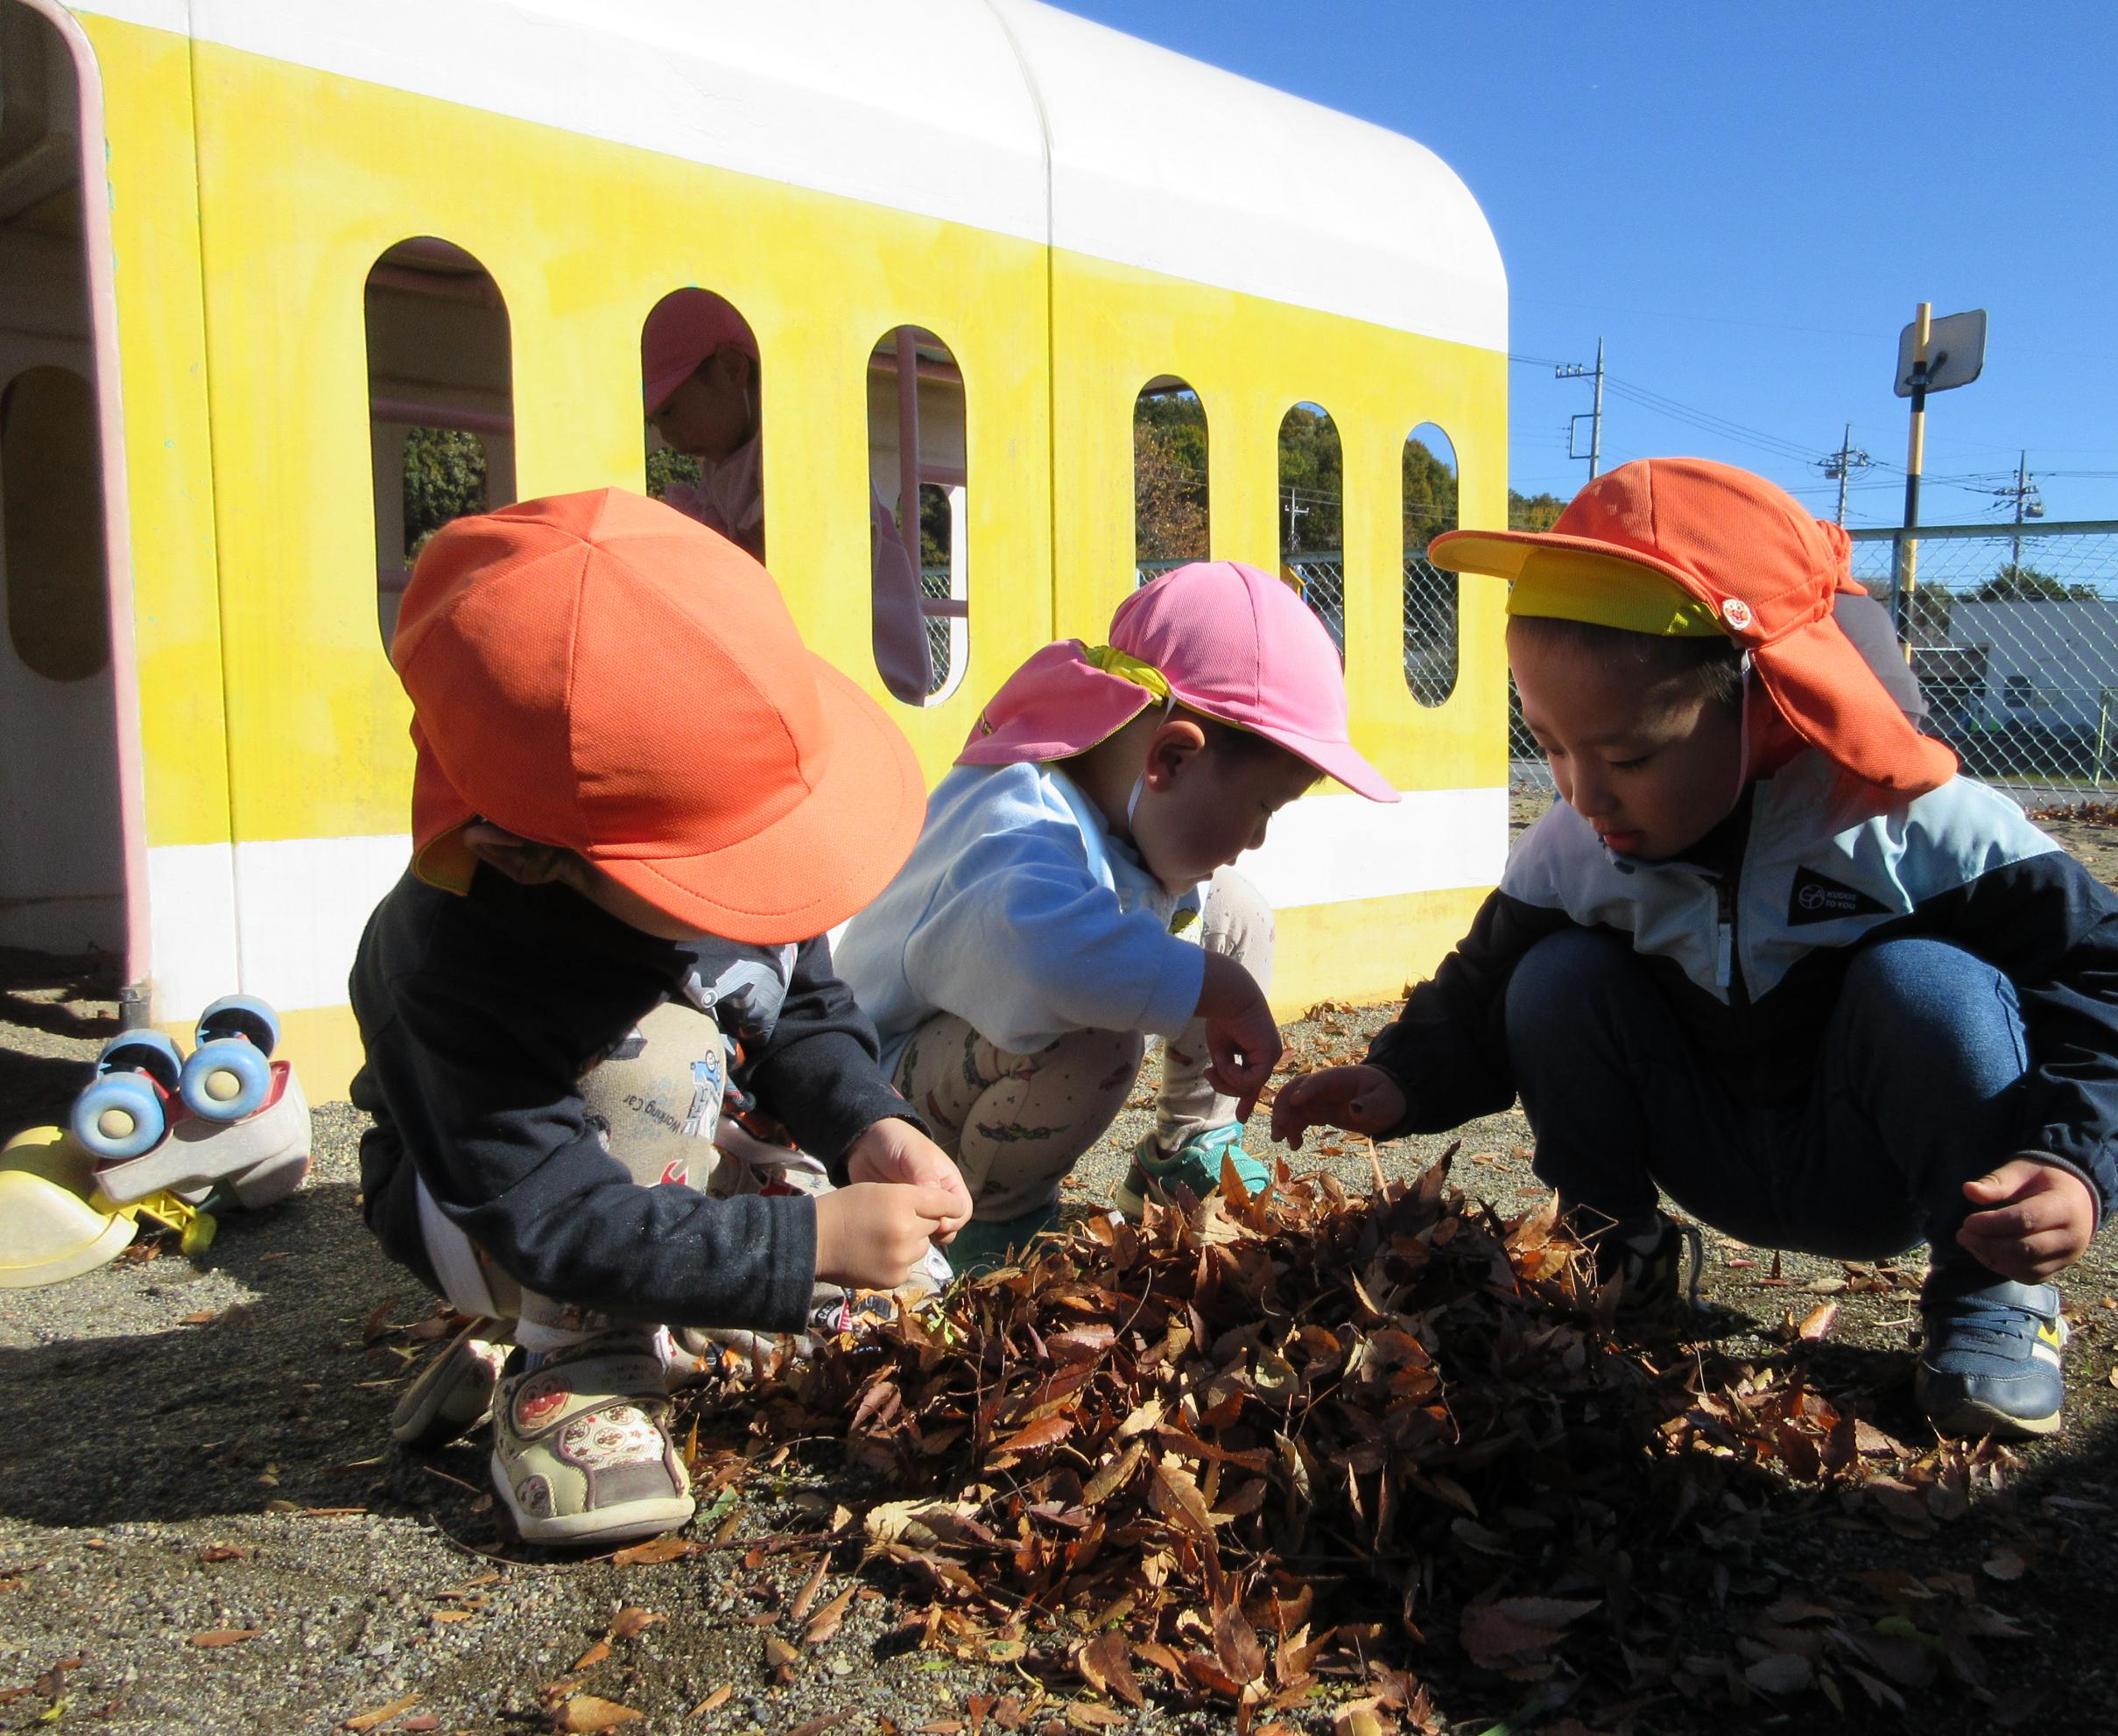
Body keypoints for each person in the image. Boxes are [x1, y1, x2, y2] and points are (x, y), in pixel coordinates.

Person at [1272, 459, 2118, 1442]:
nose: (1583, 791)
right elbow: (1480, 989)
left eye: (1627, 756)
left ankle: (1990, 1299)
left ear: (1767, 695)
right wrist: (1400, 1077)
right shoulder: (1577, 846)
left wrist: (2075, 1162)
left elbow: (2100, 986)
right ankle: (1621, 1249)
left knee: (1925, 983)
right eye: (1548, 743)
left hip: (1880, 1169)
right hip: (1707, 1144)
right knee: (1553, 977)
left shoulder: (1912, 822)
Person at [350, 488, 973, 1546]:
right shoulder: (451, 960)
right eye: (730, 866)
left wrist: (872, 1124)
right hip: (492, 1211)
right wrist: (802, 1242)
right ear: (526, 853)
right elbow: (547, 1209)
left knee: (782, 1165)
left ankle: (689, 1297)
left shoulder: (683, 850)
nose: (769, 884)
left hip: (667, 1149)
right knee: (662, 1051)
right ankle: (573, 1364)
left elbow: (800, 1005)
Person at [838, 560, 1396, 1268]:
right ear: (1168, 759)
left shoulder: (1123, 815)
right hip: (881, 1102)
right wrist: (1227, 992)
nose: (1256, 838)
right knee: (1096, 1042)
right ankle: (987, 1222)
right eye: (1261, 809)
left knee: (1234, 910)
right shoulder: (1018, 820)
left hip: (954, 1070)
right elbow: (1052, 959)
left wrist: (1216, 974)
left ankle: (1190, 1145)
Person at [641, 286, 936, 704]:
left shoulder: (793, 449)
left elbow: (798, 561)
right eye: (656, 421)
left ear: (731, 370)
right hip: (812, 675)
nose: (665, 434)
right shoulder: (719, 467)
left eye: (670, 411)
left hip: (875, 676)